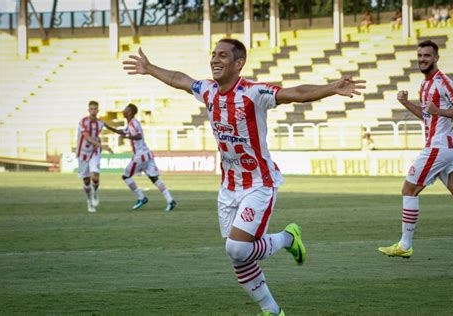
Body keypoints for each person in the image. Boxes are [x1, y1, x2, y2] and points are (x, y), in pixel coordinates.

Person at [122, 39, 365, 315]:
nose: (215, 59)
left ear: (239, 64)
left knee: (237, 248)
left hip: (259, 184)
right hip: (228, 187)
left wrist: (332, 87)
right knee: (238, 256)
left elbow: (296, 92)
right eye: (213, 54)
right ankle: (272, 311)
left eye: (222, 55)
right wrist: (150, 68)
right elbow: (180, 79)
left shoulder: (253, 93)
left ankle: (287, 238)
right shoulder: (207, 90)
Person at [378, 40, 453, 259]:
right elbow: (427, 115)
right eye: (420, 56)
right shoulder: (424, 85)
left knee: (408, 190)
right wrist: (406, 103)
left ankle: (405, 244)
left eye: (427, 56)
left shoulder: (443, 82)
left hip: (438, 147)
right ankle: (404, 244)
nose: (422, 60)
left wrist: (438, 110)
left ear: (436, 58)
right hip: (446, 148)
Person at [105, 104, 176, 211]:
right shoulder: (131, 123)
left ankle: (141, 197)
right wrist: (109, 127)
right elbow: (123, 132)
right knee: (154, 178)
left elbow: (138, 136)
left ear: (130, 112)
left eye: (126, 109)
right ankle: (170, 201)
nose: (123, 111)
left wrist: (127, 137)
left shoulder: (133, 123)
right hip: (147, 154)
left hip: (140, 156)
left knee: (126, 176)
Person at [76, 100, 113, 213]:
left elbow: (110, 127)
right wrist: (103, 146)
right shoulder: (83, 122)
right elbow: (87, 137)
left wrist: (123, 133)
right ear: (88, 110)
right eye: (91, 109)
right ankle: (89, 202)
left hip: (94, 152)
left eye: (95, 109)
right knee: (86, 180)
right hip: (82, 153)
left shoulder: (100, 123)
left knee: (95, 177)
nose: (93, 111)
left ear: (98, 110)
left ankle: (95, 193)